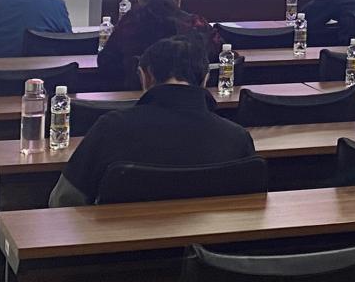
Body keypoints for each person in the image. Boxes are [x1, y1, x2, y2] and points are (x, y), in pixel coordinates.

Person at [48, 35, 255, 206]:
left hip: (122, 242)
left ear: (144, 77)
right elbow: (250, 205)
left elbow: (64, 200)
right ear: (205, 79)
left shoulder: (111, 128)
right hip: (209, 243)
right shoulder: (236, 138)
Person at [97, 0, 223, 89]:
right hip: (191, 99)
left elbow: (105, 63)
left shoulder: (129, 24)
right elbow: (223, 58)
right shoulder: (196, 25)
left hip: (135, 99)